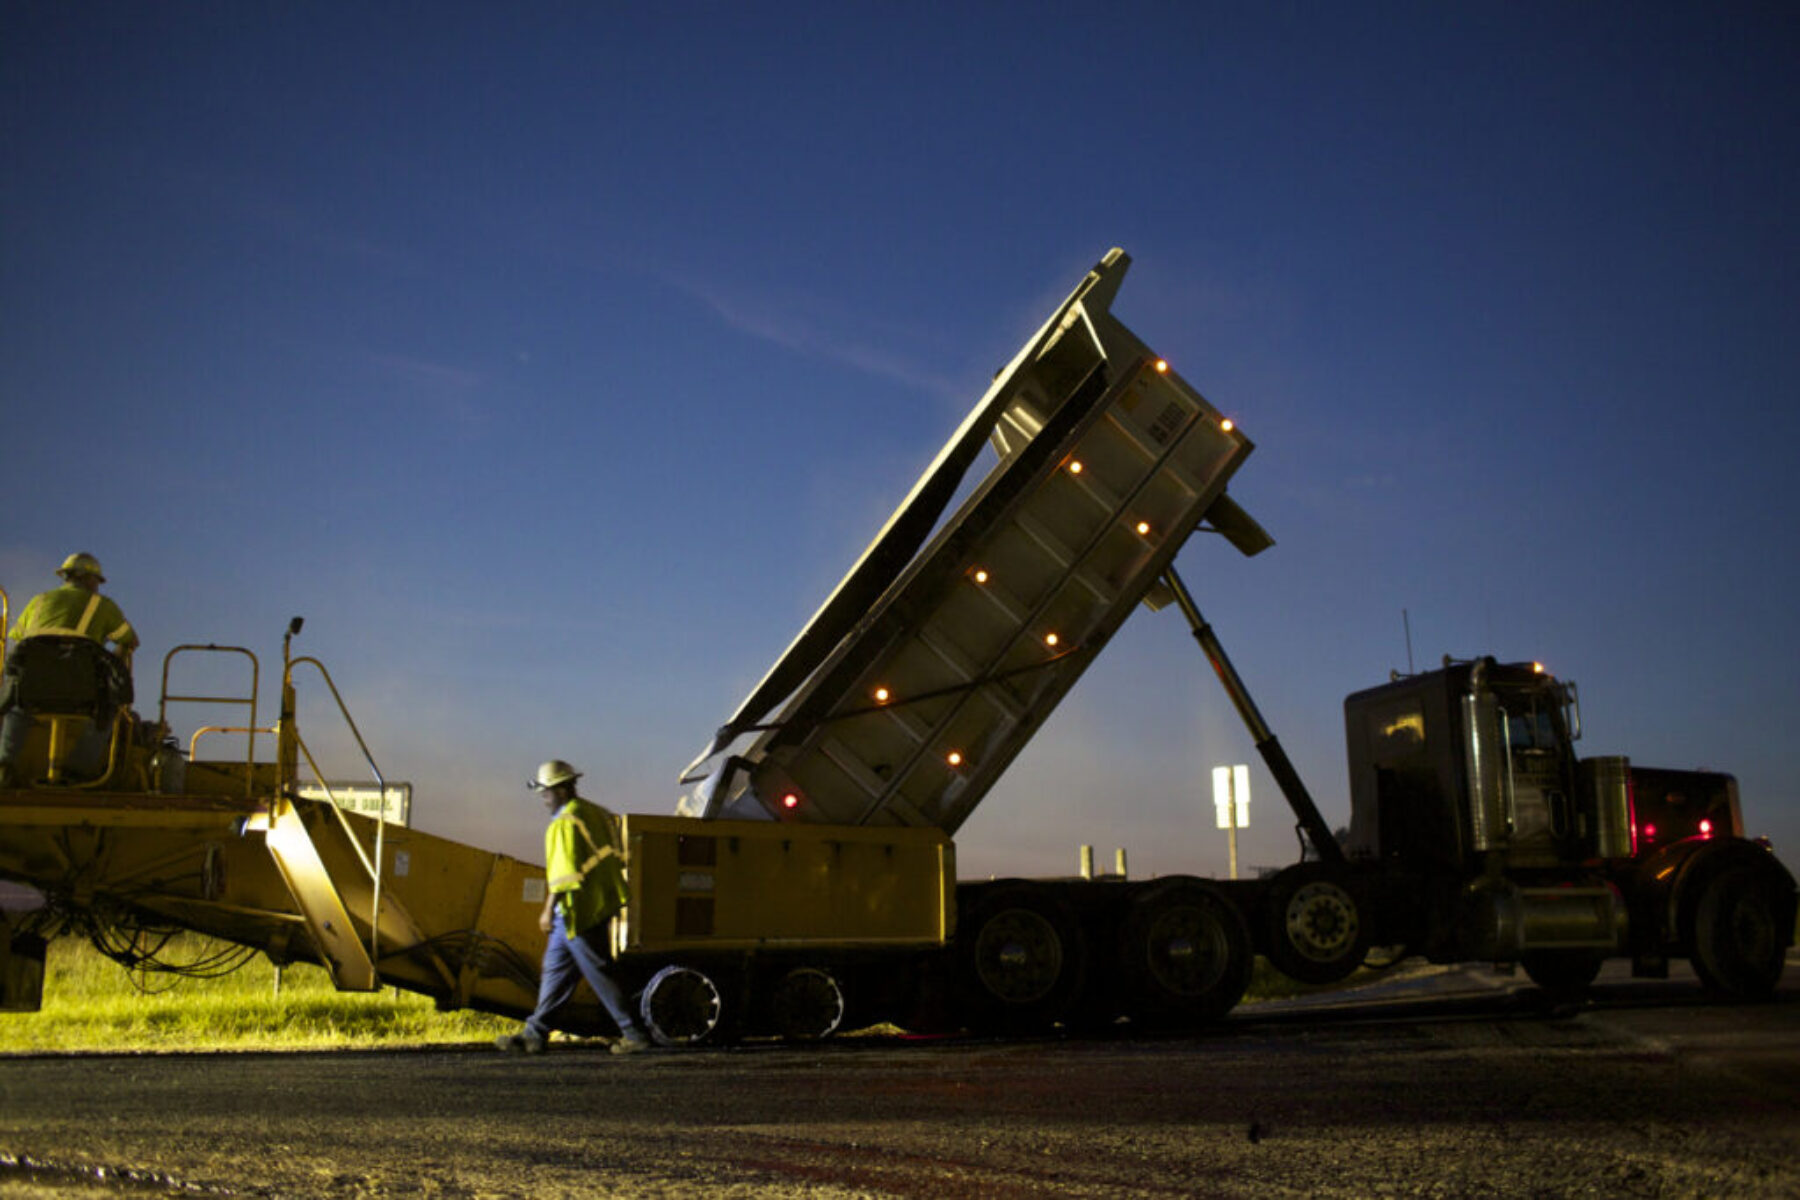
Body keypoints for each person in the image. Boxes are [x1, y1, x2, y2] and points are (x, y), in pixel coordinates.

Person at [495, 758, 652, 1055]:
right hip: (595, 902)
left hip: (578, 909)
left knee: (598, 971)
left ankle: (634, 1033)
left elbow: (563, 876)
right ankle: (535, 1033)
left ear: (562, 791)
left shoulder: (565, 824)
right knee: (555, 971)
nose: (543, 798)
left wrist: (546, 910)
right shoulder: (595, 813)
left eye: (547, 792)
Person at [0, 553, 139, 788]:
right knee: (109, 713)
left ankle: (5, 766)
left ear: (66, 576)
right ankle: (77, 771)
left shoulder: (39, 601)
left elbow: (16, 639)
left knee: (15, 707)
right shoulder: (102, 605)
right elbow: (129, 640)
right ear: (89, 579)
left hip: (33, 688)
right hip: (83, 691)